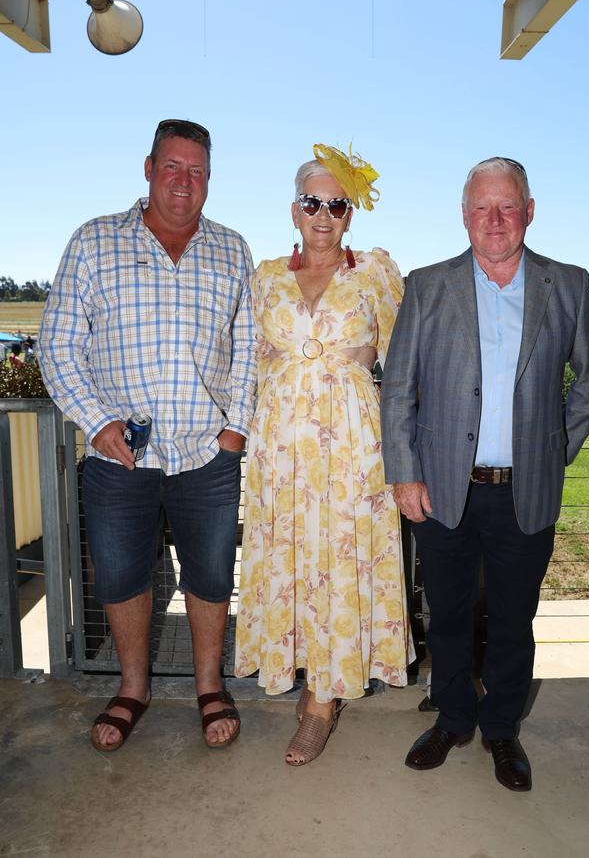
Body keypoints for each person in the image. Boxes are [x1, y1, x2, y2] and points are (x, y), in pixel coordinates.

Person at [380, 157, 589, 791]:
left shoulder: (565, 285)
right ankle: (453, 718)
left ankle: (502, 729)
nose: (495, 219)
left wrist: (555, 448)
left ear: (529, 212)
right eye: (482, 207)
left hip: (526, 491)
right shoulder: (427, 286)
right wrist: (403, 472)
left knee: (514, 618)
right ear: (464, 216)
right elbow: (398, 387)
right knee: (448, 615)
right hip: (443, 489)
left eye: (507, 206)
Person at [39, 119, 256, 752]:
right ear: (147, 168)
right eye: (172, 166)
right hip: (118, 459)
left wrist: (235, 430)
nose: (184, 181)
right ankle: (133, 688)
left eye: (197, 170)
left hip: (207, 456)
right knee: (121, 576)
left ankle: (208, 686)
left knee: (211, 574)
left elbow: (246, 350)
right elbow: (57, 345)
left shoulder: (232, 250)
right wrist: (100, 422)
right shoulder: (93, 242)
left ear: (209, 179)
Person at [234, 144, 414, 765]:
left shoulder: (376, 275)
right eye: (312, 202)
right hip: (281, 449)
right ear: (294, 209)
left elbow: (406, 363)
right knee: (290, 556)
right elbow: (250, 362)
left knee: (339, 561)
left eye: (337, 204)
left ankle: (322, 702)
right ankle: (300, 671)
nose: (323, 213)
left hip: (352, 448)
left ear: (349, 214)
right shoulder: (265, 278)